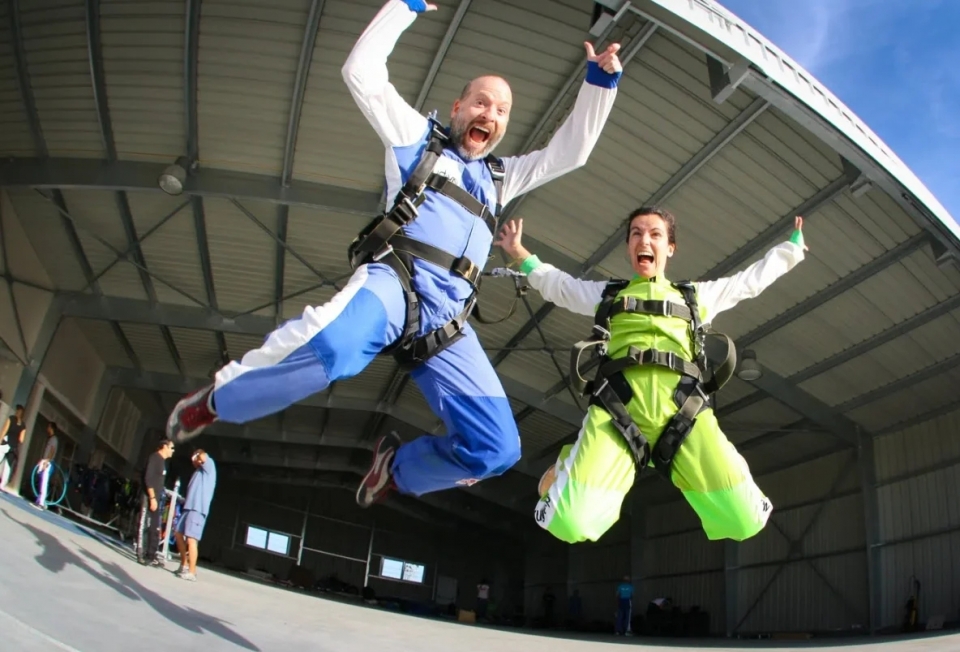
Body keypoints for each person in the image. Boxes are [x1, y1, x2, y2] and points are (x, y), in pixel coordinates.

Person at [163, 0, 625, 509]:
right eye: (481, 103)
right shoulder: (416, 140)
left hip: (448, 322)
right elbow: (360, 72)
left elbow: (571, 154)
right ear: (457, 107)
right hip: (396, 284)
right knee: (333, 346)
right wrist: (404, 5)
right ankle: (216, 399)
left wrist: (599, 85)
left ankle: (399, 473)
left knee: (499, 449)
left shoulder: (501, 178)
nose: (489, 115)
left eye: (501, 111)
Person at [496, 209, 808, 544]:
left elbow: (748, 282)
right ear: (629, 246)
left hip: (684, 414)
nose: (644, 239)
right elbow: (560, 286)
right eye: (636, 234)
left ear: (670, 247)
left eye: (655, 234)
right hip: (618, 412)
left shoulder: (696, 297)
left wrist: (790, 251)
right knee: (569, 522)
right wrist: (519, 254)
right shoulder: (608, 295)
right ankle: (566, 464)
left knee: (745, 520)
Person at [175, 449, 217, 582]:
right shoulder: (198, 472)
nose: (193, 462)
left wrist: (197, 455)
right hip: (188, 507)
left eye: (194, 459)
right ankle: (184, 565)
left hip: (198, 509)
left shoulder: (209, 465)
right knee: (178, 533)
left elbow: (203, 456)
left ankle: (192, 572)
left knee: (192, 539)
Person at [139, 438, 175, 566]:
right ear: (164, 446)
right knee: (146, 525)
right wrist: (152, 498)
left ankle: (151, 554)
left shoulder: (163, 462)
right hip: (150, 497)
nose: (173, 451)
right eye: (171, 448)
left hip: (158, 498)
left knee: (155, 527)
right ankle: (142, 553)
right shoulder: (154, 458)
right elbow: (148, 479)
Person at [33, 422, 59, 509]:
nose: (47, 428)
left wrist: (47, 461)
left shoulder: (54, 439)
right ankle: (40, 500)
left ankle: (41, 502)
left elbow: (52, 451)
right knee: (41, 480)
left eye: (48, 427)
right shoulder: (50, 439)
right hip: (45, 461)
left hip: (48, 462)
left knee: (44, 481)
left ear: (51, 428)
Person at [0, 403, 25, 491]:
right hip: (13, 447)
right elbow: (21, 440)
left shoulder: (11, 418)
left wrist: (0, 440)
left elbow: (4, 430)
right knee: (8, 467)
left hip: (5, 443)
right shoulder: (23, 425)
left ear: (17, 411)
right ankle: (2, 485)